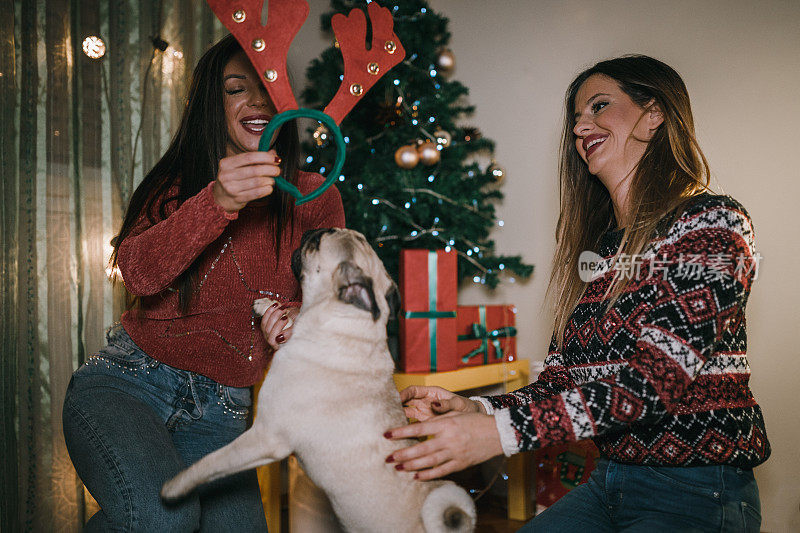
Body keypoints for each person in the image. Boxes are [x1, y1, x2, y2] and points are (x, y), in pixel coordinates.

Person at [384, 55, 769, 532]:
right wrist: (477, 409)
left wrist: (496, 435)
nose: (581, 126)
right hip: (608, 481)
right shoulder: (600, 256)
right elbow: (559, 383)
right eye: (576, 118)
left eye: (599, 106)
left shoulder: (710, 222)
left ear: (655, 114)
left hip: (696, 490)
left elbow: (654, 383)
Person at [62, 34, 344, 532]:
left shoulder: (315, 198)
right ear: (214, 105)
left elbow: (333, 303)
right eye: (238, 89)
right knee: (165, 519)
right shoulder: (177, 185)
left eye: (269, 88)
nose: (258, 102)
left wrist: (305, 316)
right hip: (128, 386)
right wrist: (216, 201)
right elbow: (138, 272)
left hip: (223, 416)